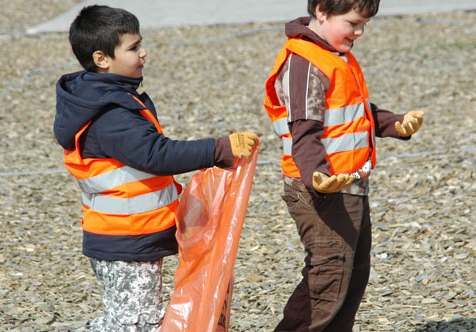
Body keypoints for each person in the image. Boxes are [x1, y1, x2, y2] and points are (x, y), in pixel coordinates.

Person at [53, 5, 258, 331]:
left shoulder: (107, 98)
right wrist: (218, 148)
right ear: (102, 59)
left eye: (140, 43)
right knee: (135, 325)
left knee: (128, 320)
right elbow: (156, 155)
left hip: (127, 237)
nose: (143, 52)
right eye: (133, 48)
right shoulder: (110, 115)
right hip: (125, 241)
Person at [263, 0, 424, 331]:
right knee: (328, 278)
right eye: (353, 23)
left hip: (348, 184)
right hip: (318, 189)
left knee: (353, 276)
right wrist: (316, 175)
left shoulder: (337, 56)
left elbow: (356, 114)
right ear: (322, 11)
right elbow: (303, 132)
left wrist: (394, 124)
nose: (359, 32)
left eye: (364, 24)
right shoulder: (304, 63)